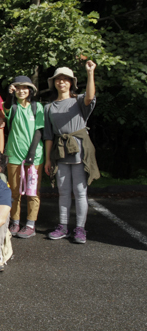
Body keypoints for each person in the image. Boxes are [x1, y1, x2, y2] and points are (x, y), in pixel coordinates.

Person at [44, 61, 99, 244]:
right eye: (58, 80)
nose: (61, 83)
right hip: (59, 153)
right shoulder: (49, 107)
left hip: (79, 150)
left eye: (65, 80)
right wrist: (47, 160)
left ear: (71, 83)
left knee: (80, 191)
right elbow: (49, 136)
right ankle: (63, 226)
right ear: (54, 83)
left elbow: (90, 97)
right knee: (63, 192)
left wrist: (90, 73)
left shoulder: (78, 101)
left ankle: (80, 228)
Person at [3, 76, 45, 239]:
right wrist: (9, 95)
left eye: (25, 88)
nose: (21, 91)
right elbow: (5, 107)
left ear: (30, 90)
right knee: (14, 192)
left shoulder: (37, 107)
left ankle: (30, 224)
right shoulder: (12, 106)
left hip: (34, 156)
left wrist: (32, 154)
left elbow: (39, 131)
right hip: (14, 154)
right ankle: (15, 221)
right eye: (18, 88)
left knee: (32, 192)